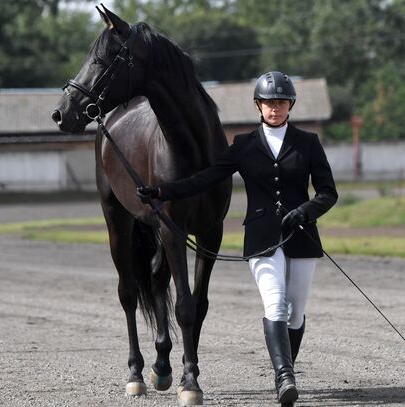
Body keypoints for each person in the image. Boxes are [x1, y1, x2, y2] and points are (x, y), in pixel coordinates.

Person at [137, 71, 338, 405]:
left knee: (296, 312)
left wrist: (306, 211)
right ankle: (284, 377)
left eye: (281, 102)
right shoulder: (243, 145)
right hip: (261, 238)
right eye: (269, 103)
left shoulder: (308, 143)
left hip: (302, 237)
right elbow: (205, 178)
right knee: (275, 302)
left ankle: (285, 367)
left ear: (291, 105)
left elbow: (329, 192)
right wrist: (162, 190)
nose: (275, 108)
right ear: (258, 106)